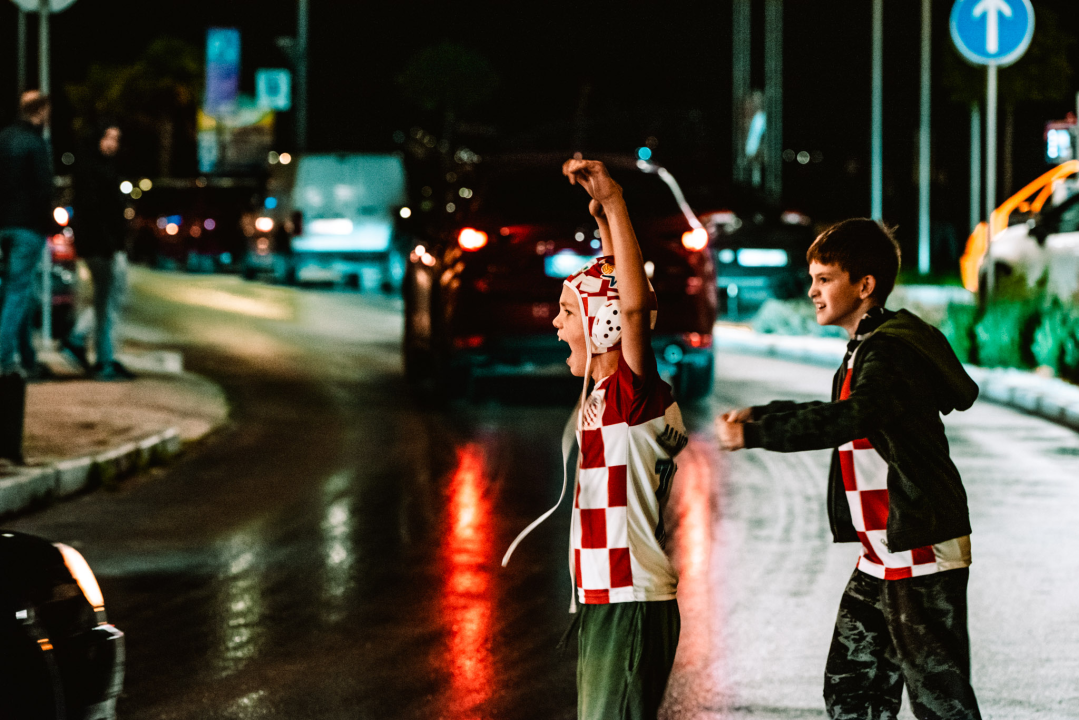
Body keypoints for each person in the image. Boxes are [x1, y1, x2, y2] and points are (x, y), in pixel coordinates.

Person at [715, 219, 982, 720]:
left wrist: (757, 435)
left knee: (940, 703)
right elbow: (849, 412)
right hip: (882, 552)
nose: (812, 291)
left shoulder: (890, 352)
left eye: (825, 278)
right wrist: (767, 414)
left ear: (865, 286)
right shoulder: (869, 346)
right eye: (811, 278)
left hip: (919, 550)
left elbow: (854, 416)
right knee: (852, 691)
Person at [502, 159, 687, 720]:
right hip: (610, 599)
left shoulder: (635, 397)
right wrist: (605, 222)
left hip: (630, 601)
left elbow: (632, 306)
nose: (556, 325)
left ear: (602, 325)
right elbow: (618, 292)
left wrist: (618, 201)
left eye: (566, 313)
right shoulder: (611, 396)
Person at [61, 123, 134, 381]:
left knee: (109, 300)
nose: (113, 143)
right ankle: (104, 360)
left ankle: (83, 343)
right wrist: (110, 245)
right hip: (102, 247)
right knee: (108, 304)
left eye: (117, 138)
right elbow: (96, 212)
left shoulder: (103, 167)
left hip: (104, 246)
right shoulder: (92, 170)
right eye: (108, 137)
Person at [0, 91, 54, 378]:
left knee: (15, 293)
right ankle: (5, 358)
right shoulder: (35, 143)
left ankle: (27, 357)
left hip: (3, 225)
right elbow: (44, 189)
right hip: (26, 227)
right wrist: (46, 223)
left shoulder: (4, 137)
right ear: (41, 111)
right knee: (18, 293)